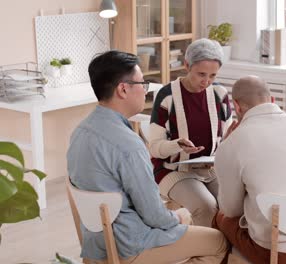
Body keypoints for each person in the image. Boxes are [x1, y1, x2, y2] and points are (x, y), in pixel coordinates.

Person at [67, 50, 227, 263]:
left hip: (97, 242)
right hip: (130, 244)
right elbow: (154, 216)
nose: (145, 91)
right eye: (142, 84)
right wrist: (178, 217)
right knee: (218, 241)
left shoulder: (80, 131)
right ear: (123, 89)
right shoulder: (129, 145)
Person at [214, 75, 286, 264]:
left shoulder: (233, 143)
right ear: (272, 100)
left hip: (277, 253)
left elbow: (231, 210)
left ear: (236, 106)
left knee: (220, 217)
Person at [149, 38, 232, 227]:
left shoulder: (220, 93)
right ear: (187, 65)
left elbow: (226, 137)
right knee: (206, 206)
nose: (207, 81)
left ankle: (224, 251)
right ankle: (206, 254)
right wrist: (176, 144)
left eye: (212, 75)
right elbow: (154, 149)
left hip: (210, 169)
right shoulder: (167, 96)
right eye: (201, 74)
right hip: (172, 170)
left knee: (232, 204)